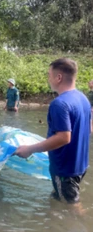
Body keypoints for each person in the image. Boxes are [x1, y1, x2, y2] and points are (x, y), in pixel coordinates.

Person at [15, 58, 91, 207]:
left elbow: (64, 138)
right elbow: (89, 129)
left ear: (59, 77)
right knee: (59, 198)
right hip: (80, 165)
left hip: (65, 170)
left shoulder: (59, 103)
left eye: (49, 74)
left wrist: (30, 149)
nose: (48, 79)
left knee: (72, 209)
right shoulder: (83, 98)